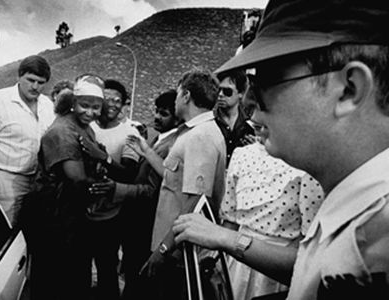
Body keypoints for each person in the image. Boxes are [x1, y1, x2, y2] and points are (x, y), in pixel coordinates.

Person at [173, 0, 389, 298]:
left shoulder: (378, 237)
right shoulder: (359, 204)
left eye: (265, 84)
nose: (253, 110)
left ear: (349, 89)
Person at [88, 89, 181, 300]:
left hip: (144, 223)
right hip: (135, 221)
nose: (157, 117)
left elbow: (150, 190)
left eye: (164, 113)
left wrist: (115, 188)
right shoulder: (159, 139)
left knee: (137, 278)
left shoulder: (170, 146)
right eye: (156, 111)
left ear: (177, 117)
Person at [141, 70, 226, 299]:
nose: (176, 99)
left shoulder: (200, 136)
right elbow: (174, 181)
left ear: (186, 95)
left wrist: (164, 249)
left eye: (178, 94)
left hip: (179, 251)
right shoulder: (196, 131)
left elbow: (196, 200)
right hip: (174, 244)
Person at [25, 74, 106, 299]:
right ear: (73, 102)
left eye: (96, 107)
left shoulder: (84, 127)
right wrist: (102, 184)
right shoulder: (63, 131)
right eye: (84, 105)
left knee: (74, 276)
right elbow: (77, 178)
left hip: (72, 214)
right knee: (55, 279)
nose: (90, 113)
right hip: (55, 216)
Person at [219, 140, 324, 300]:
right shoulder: (241, 154)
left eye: (266, 112)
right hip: (237, 265)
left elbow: (309, 240)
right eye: (252, 113)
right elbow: (230, 219)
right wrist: (219, 262)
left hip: (275, 268)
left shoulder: (306, 163)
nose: (256, 119)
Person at [78, 78, 141, 300]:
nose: (112, 104)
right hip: (82, 212)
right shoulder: (87, 127)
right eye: (108, 99)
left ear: (124, 104)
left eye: (118, 100)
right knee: (80, 270)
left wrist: (103, 157)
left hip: (110, 216)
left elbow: (129, 174)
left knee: (107, 270)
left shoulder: (130, 133)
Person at [0, 55, 54, 225]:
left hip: (36, 181)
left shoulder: (47, 105)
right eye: (30, 80)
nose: (35, 86)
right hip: (3, 181)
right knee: (3, 231)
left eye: (41, 82)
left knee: (29, 232)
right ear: (19, 76)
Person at [214, 69, 255, 166]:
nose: (220, 95)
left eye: (227, 91)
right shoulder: (209, 121)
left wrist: (255, 148)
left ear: (240, 93)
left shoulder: (251, 123)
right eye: (218, 90)